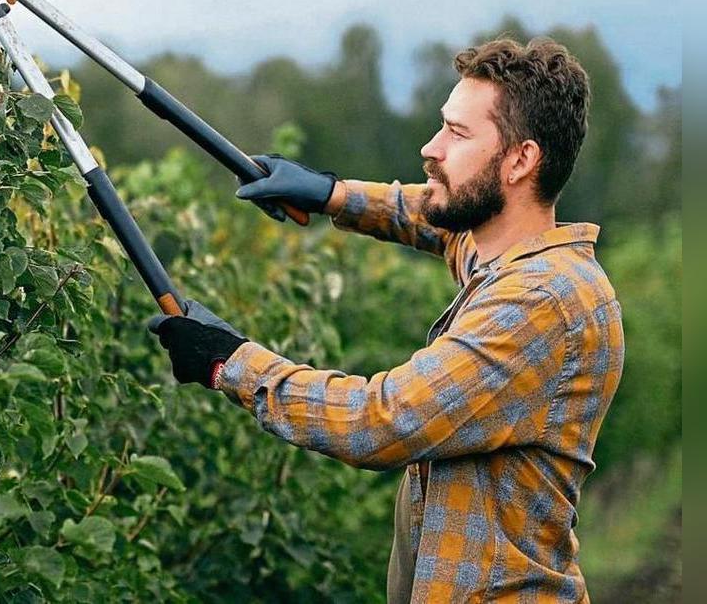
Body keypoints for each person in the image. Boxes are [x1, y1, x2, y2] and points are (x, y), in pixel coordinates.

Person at [148, 37, 624, 603]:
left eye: (459, 134)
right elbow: (434, 218)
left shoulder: (542, 303)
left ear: (521, 160)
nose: (432, 147)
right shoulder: (502, 252)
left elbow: (381, 421)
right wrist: (331, 194)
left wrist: (231, 362)